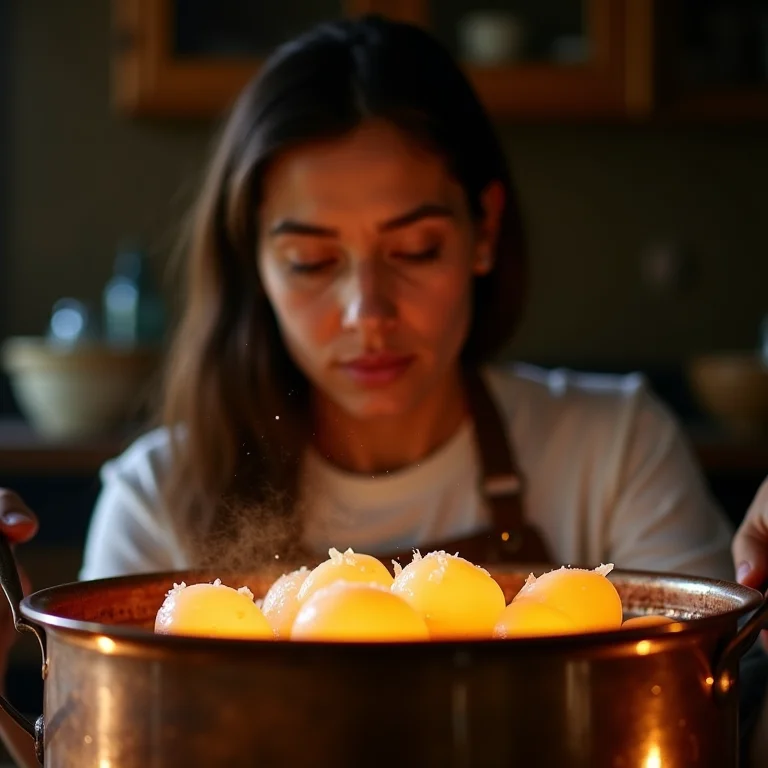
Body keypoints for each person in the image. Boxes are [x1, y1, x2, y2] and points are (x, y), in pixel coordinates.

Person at [0, 14, 765, 766]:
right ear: (253, 266)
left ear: (485, 231)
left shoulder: (614, 449)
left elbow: (714, 724)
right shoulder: (157, 497)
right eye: (310, 261)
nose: (368, 313)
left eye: (415, 249)